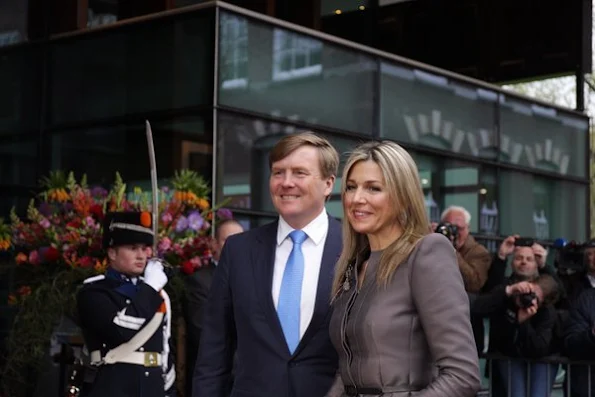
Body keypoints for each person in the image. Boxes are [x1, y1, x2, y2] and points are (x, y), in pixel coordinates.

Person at [326, 140, 480, 397]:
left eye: (373, 188)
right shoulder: (352, 266)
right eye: (351, 187)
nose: (356, 198)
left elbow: (462, 376)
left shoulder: (426, 253)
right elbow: (348, 373)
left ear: (402, 195)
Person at [193, 132, 342, 397]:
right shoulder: (239, 251)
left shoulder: (356, 249)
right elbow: (214, 351)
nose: (286, 183)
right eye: (278, 173)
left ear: (328, 183)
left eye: (299, 173)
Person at [76, 211, 176, 397]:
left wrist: (168, 390)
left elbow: (165, 346)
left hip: (153, 387)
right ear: (112, 252)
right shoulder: (94, 292)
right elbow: (121, 330)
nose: (141, 256)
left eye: (144, 248)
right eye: (132, 248)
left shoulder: (155, 293)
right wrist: (151, 287)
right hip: (114, 386)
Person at [184, 219, 244, 396]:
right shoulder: (200, 282)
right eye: (228, 240)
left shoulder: (255, 279)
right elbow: (205, 335)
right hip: (220, 382)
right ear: (214, 244)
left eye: (240, 240)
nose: (235, 246)